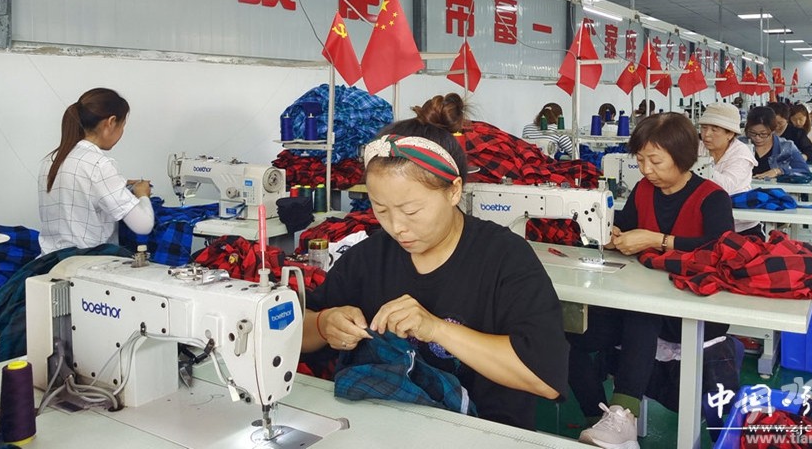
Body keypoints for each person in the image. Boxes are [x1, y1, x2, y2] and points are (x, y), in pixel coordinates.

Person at [300, 107, 569, 430]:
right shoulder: (369, 258)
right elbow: (297, 333)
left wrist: (435, 329)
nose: (396, 227)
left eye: (411, 211)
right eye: (380, 210)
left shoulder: (505, 258)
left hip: (485, 433)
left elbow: (545, 378)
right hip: (387, 427)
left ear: (454, 191)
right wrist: (324, 325)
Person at [574, 113, 734, 448]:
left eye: (655, 161)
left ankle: (623, 412)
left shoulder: (712, 197)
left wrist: (656, 240)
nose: (646, 170)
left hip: (693, 311)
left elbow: (721, 249)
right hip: (641, 304)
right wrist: (612, 236)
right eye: (640, 160)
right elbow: (625, 226)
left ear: (683, 156)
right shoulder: (643, 190)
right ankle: (601, 418)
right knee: (563, 331)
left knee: (643, 310)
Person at [38, 88, 154, 254]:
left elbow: (84, 192)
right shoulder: (99, 164)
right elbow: (143, 225)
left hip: (50, 261)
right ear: (111, 122)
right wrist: (142, 194)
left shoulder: (51, 160)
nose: (122, 132)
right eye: (122, 126)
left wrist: (120, 184)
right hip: (87, 263)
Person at [697, 102, 760, 235]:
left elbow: (726, 187)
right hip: (705, 223)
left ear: (730, 134)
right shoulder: (699, 148)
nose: (706, 134)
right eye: (703, 128)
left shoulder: (741, 155)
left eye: (714, 129)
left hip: (739, 228)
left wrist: (698, 166)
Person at [746, 106, 812, 180]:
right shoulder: (740, 145)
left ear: (773, 130)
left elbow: (805, 172)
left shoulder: (786, 147)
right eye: (753, 133)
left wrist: (779, 171)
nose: (757, 138)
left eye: (763, 134)